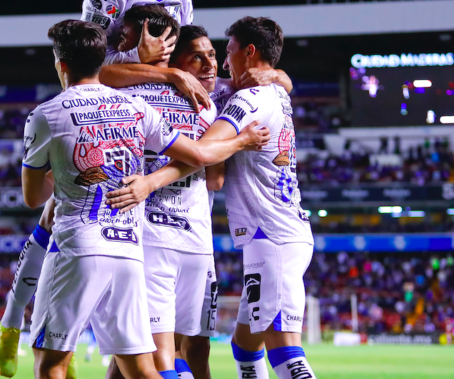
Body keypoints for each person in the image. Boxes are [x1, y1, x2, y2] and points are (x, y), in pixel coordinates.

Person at [22, 20, 269, 379]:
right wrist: (241, 141)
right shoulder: (137, 109)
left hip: (80, 246)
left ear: (61, 65)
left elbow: (34, 198)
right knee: (142, 368)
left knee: (51, 364)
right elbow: (200, 157)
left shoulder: (46, 114)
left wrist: (66, 169)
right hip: (128, 250)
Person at [105, 17, 317, 379]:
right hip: (170, 237)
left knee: (184, 349)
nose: (213, 63)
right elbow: (105, 76)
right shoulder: (197, 93)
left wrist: (276, 75)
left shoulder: (223, 95)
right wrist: (172, 77)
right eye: (197, 59)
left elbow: (212, 170)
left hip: (234, 238)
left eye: (219, 53)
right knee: (226, 348)